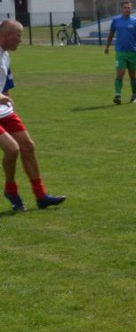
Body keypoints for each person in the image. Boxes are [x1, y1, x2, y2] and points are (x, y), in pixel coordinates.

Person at [0, 19, 67, 211]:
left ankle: (41, 196)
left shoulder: (5, 55)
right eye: (18, 36)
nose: (20, 40)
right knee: (12, 149)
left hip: (4, 110)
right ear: (6, 36)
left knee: (28, 146)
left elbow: (5, 86)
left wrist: (8, 105)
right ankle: (11, 189)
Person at [105, 0, 136, 105]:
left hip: (132, 53)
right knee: (120, 73)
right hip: (120, 53)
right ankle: (118, 95)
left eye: (129, 8)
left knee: (132, 76)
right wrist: (107, 46)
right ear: (121, 9)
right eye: (125, 7)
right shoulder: (116, 21)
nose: (127, 9)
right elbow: (111, 33)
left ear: (131, 9)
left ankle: (134, 96)